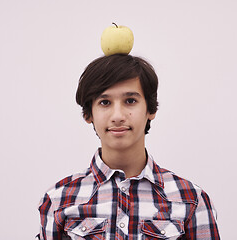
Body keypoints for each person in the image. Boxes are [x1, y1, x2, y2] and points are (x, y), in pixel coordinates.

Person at [37, 54, 220, 239]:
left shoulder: (192, 201)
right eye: (105, 102)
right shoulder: (58, 200)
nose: (118, 116)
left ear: (151, 109)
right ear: (88, 114)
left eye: (130, 101)